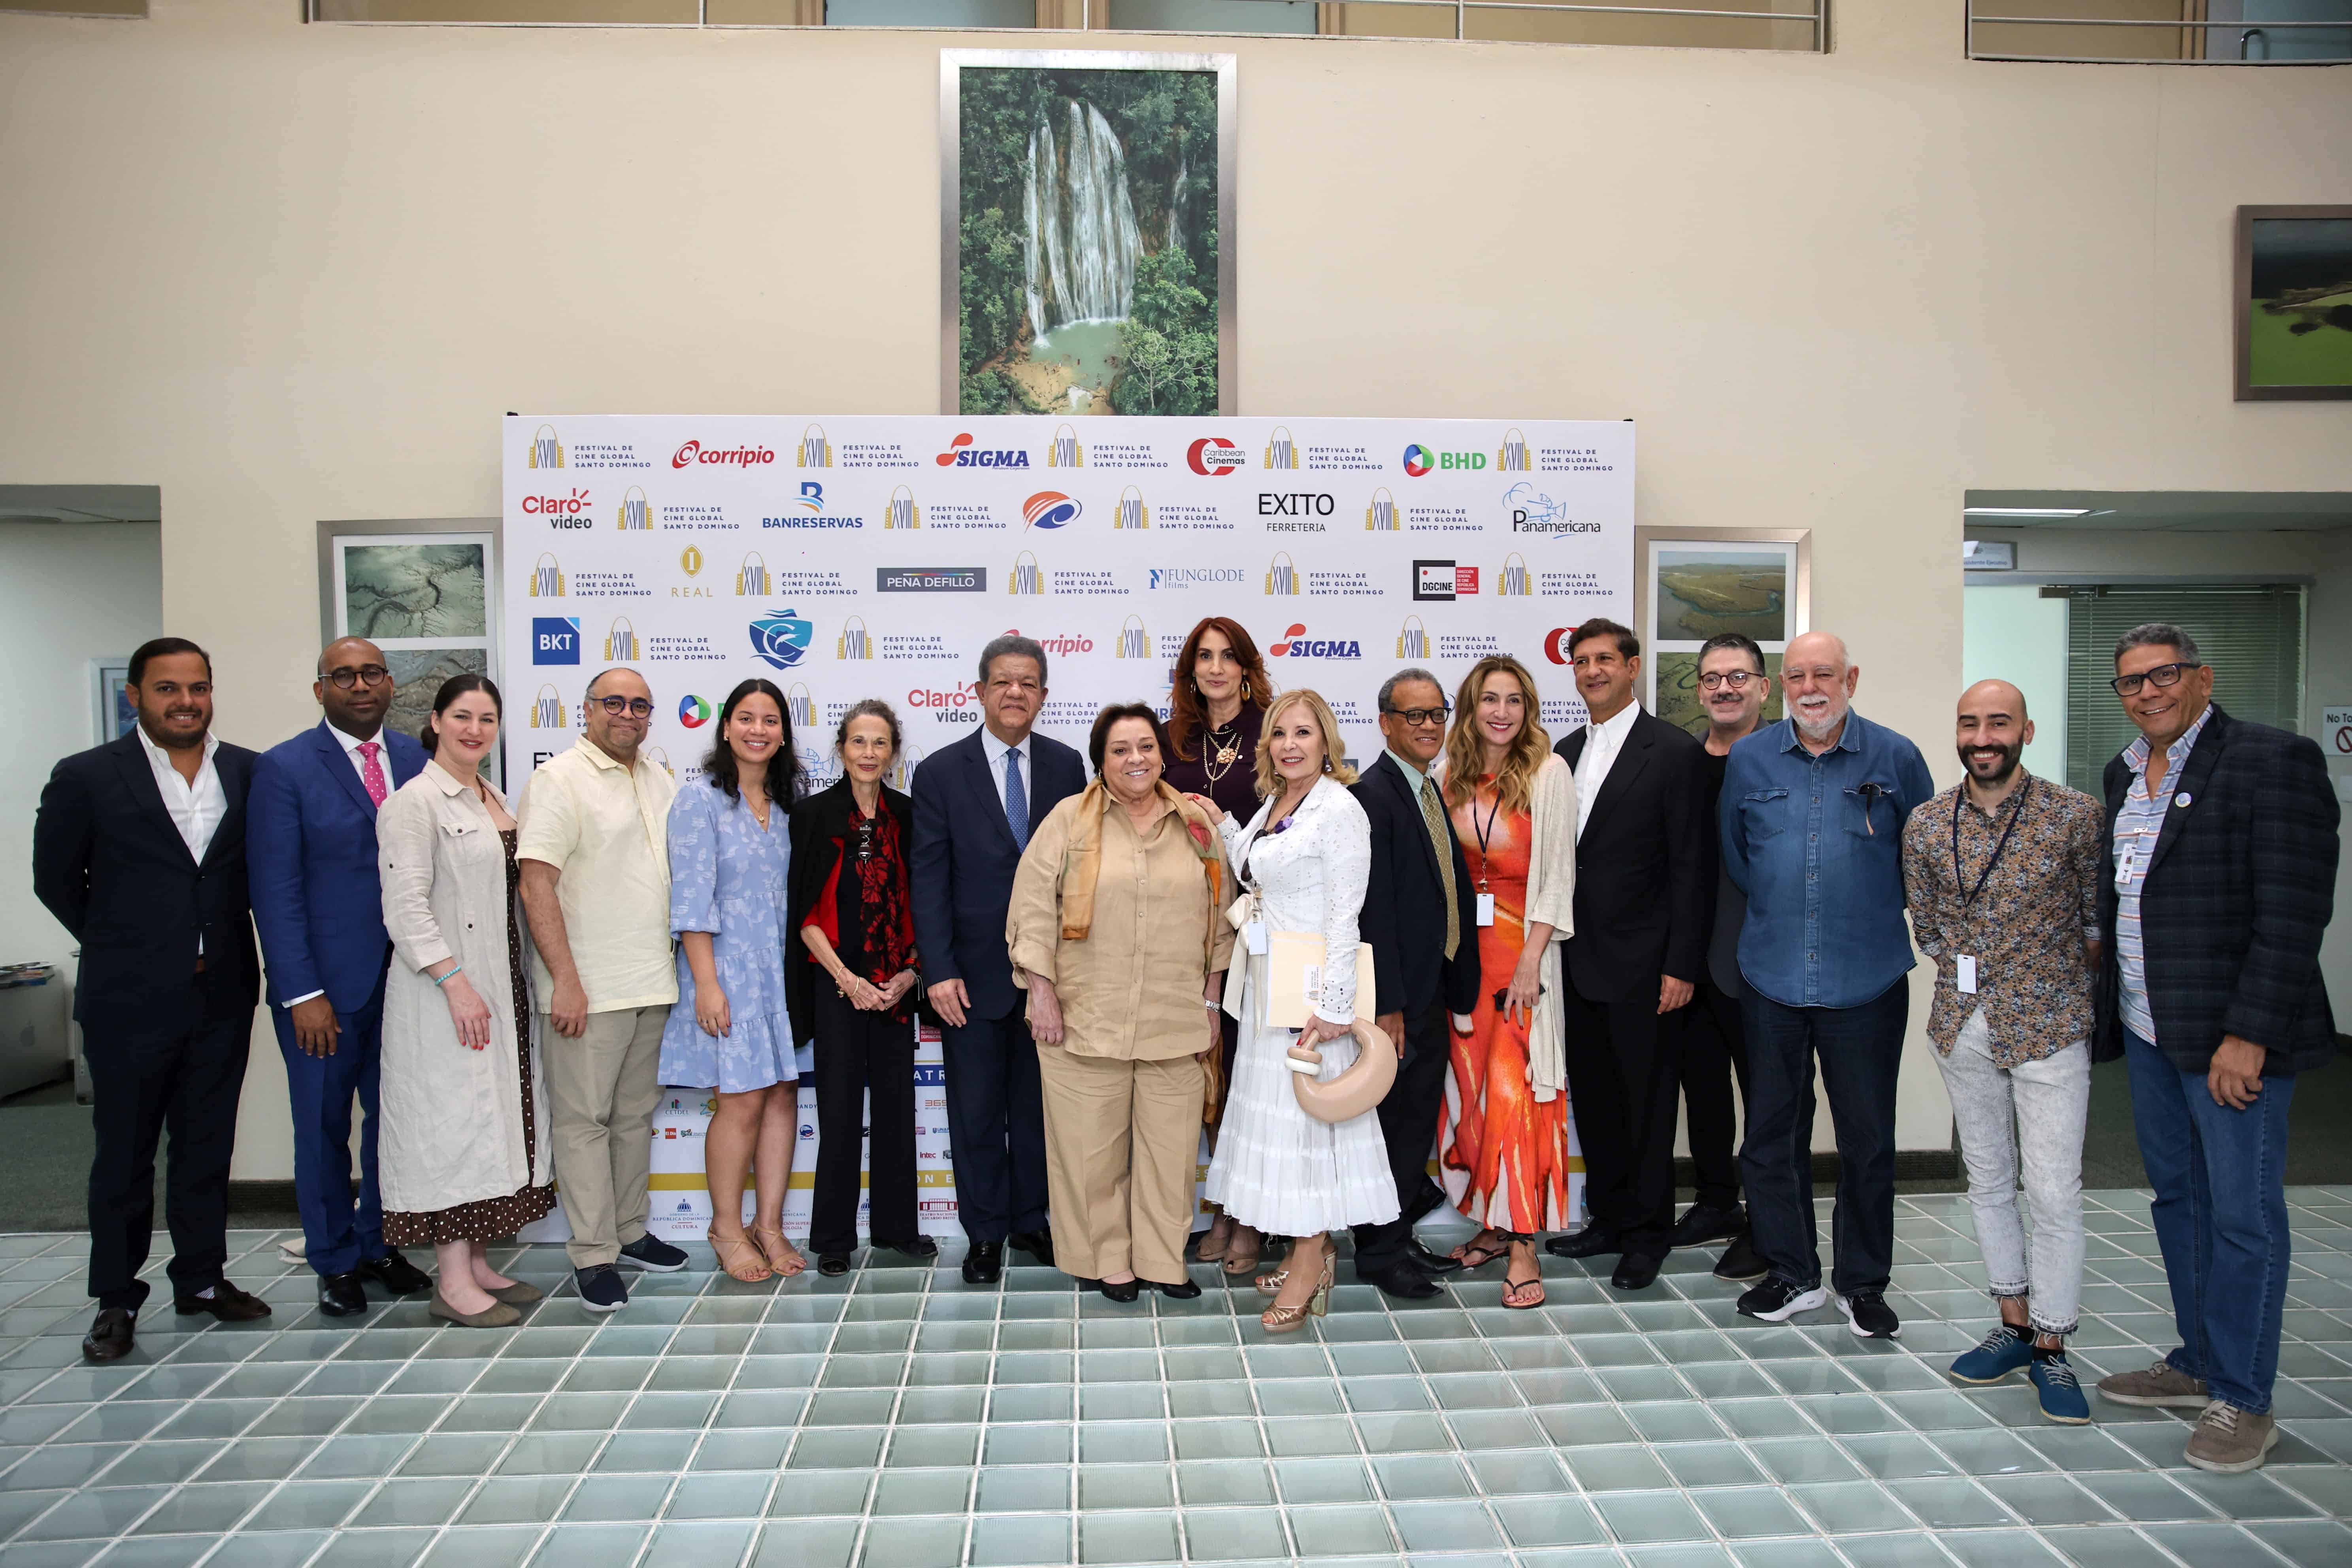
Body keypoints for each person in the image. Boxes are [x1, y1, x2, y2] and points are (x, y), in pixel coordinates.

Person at [2088, 624, 2339, 1473]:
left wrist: (2250, 1034)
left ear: (2202, 676)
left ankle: (2245, 1398)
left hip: (2233, 1040)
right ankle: (2199, 1360)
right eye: (2131, 682)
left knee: (2243, 1217)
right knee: (2179, 1202)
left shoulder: (2274, 760)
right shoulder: (2124, 773)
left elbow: (2295, 912)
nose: (2147, 692)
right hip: (2153, 1029)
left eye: (2163, 675)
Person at [33, 638, 271, 1362]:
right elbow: (54, 880)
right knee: (126, 1153)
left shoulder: (247, 771)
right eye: (167, 689)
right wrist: (128, 943)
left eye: (197, 687)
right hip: (130, 999)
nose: (186, 701)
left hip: (222, 993)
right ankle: (115, 1298)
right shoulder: (86, 777)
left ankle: (201, 1279)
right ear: (135, 695)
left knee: (205, 1147)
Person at [1903, 680, 2106, 1424]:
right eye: (1969, 723)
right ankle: (2014, 1322)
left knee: (2053, 1190)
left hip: (2050, 1024)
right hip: (1962, 1024)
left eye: (1998, 723)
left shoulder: (2076, 817)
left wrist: (2039, 981)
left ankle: (2054, 1346)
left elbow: (2095, 925)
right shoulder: (1927, 823)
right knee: (1988, 1180)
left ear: (2026, 729)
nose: (1983, 737)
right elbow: (1927, 926)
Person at [1719, 631, 1933, 1337]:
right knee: (1771, 1135)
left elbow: (1921, 861)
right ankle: (1792, 1273)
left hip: (1866, 978)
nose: (1811, 688)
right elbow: (1738, 856)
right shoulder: (1750, 757)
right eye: (1797, 677)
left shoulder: (1896, 756)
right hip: (1772, 975)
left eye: (1825, 675)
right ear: (1781, 685)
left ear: (1852, 679)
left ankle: (1862, 1282)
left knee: (1869, 1139)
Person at [1010, 705, 1234, 1302]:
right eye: (1120, 750)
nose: (1135, 759)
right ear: (1101, 761)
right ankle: (1108, 1261)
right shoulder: (1068, 820)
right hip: (1084, 1019)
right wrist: (1043, 995)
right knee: (1091, 1154)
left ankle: (1163, 1261)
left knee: (1170, 1152)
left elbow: (1221, 921)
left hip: (1175, 1019)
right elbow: (1031, 910)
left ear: (1162, 755)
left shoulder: (1195, 826)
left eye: (1146, 747)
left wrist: (1212, 1005)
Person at [247, 637, 434, 1318]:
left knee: (397, 1123)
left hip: (410, 984)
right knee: (323, 1127)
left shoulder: (417, 759)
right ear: (320, 687)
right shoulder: (286, 769)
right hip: (325, 992)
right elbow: (276, 890)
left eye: (372, 674)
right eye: (344, 676)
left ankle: (380, 1243)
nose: (361, 686)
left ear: (390, 685)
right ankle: (332, 1260)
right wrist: (301, 993)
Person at [1196, 690, 1393, 1332]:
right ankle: (1317, 1250)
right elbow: (1259, 872)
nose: (1289, 745)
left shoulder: (1339, 809)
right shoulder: (1278, 802)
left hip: (1312, 1000)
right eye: (1280, 733)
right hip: (1268, 992)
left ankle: (1311, 1259)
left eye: (1303, 733)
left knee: (1311, 1134)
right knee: (1281, 1128)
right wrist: (1222, 823)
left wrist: (1334, 1009)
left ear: (1325, 742)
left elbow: (1346, 914)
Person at [376, 675, 554, 1327]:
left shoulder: (492, 796)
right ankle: (451, 1281)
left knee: (493, 1124)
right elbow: (404, 907)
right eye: (461, 717)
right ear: (435, 721)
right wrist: (453, 982)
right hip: (447, 993)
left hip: (501, 983)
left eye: (486, 718)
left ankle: (476, 1260)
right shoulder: (413, 803)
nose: (474, 729)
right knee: (453, 1126)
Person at [1545, 619, 1713, 1293]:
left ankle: (1648, 1234)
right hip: (1576, 963)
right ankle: (1608, 1219)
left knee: (1647, 1105)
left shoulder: (1673, 752)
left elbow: (1693, 868)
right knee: (1598, 1101)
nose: (1592, 672)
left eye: (1605, 660)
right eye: (1582, 662)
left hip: (1648, 968)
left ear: (1634, 666)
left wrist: (1682, 964)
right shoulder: (1562, 752)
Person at [911, 635, 1084, 1285]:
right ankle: (984, 1233)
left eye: (1030, 683)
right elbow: (927, 878)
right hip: (970, 978)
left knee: (1041, 1112)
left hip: (1050, 979)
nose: (1017, 693)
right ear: (980, 691)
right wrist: (938, 969)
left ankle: (1032, 1220)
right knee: (976, 1111)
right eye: (1004, 682)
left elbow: (1079, 873)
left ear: (1043, 695)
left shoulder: (1069, 767)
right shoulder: (938, 773)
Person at [516, 666, 690, 1312]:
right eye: (613, 702)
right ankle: (592, 1255)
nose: (627, 713)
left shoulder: (658, 777)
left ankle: (629, 1231)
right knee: (583, 1122)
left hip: (651, 977)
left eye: (640, 705)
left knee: (632, 1117)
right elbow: (536, 883)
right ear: (586, 710)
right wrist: (564, 979)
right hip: (586, 987)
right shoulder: (558, 780)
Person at [1433, 656, 1576, 1309]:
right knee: (1470, 1100)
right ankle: (1491, 1223)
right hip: (1466, 966)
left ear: (1529, 708)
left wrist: (1530, 963)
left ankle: (1524, 1247)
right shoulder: (1448, 777)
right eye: (1489, 699)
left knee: (1519, 1100)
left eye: (1513, 700)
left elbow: (1557, 880)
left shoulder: (1549, 774)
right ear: (1470, 708)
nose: (1501, 711)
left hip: (1524, 964)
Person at [663, 678, 807, 1285]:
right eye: (746, 718)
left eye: (770, 720)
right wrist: (707, 983)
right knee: (742, 1100)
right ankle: (726, 1227)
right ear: (725, 728)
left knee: (781, 1096)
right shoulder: (700, 802)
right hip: (726, 973)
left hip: (782, 975)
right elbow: (691, 901)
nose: (758, 730)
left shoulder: (787, 805)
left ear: (783, 734)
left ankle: (768, 1225)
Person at [1349, 669, 1482, 1300]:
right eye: (1414, 716)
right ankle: (1378, 1253)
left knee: (1412, 1126)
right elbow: (1374, 913)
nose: (1430, 726)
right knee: (1395, 1127)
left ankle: (1398, 1235)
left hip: (1432, 990)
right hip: (1398, 1002)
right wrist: (1390, 1006)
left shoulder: (1427, 789)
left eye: (1438, 714)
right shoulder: (1374, 795)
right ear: (1385, 723)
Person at [788, 700, 931, 1277]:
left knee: (898, 1110)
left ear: (893, 753)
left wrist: (908, 976)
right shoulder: (814, 815)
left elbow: (925, 902)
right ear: (841, 750)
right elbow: (804, 913)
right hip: (837, 987)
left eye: (879, 744)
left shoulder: (909, 814)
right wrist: (848, 982)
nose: (869, 753)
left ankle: (898, 1230)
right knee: (840, 1113)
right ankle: (832, 1238)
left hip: (897, 990)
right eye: (858, 742)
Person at [1161, 617, 1273, 1275]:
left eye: (1229, 657)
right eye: (1204, 656)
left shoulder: (1273, 731)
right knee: (1208, 1075)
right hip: (1185, 927)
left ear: (1247, 666)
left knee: (1252, 1073)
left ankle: (1248, 1217)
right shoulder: (1171, 735)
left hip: (1259, 928)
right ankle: (1220, 1205)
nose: (1216, 669)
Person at [1681, 632, 1772, 1283]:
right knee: (1704, 1091)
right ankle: (1716, 1201)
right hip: (1690, 960)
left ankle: (1768, 1227)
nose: (1725, 688)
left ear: (1763, 688)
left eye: (1738, 677)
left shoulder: (1781, 762)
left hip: (1760, 965)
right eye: (1712, 678)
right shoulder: (1682, 763)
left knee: (1767, 1100)